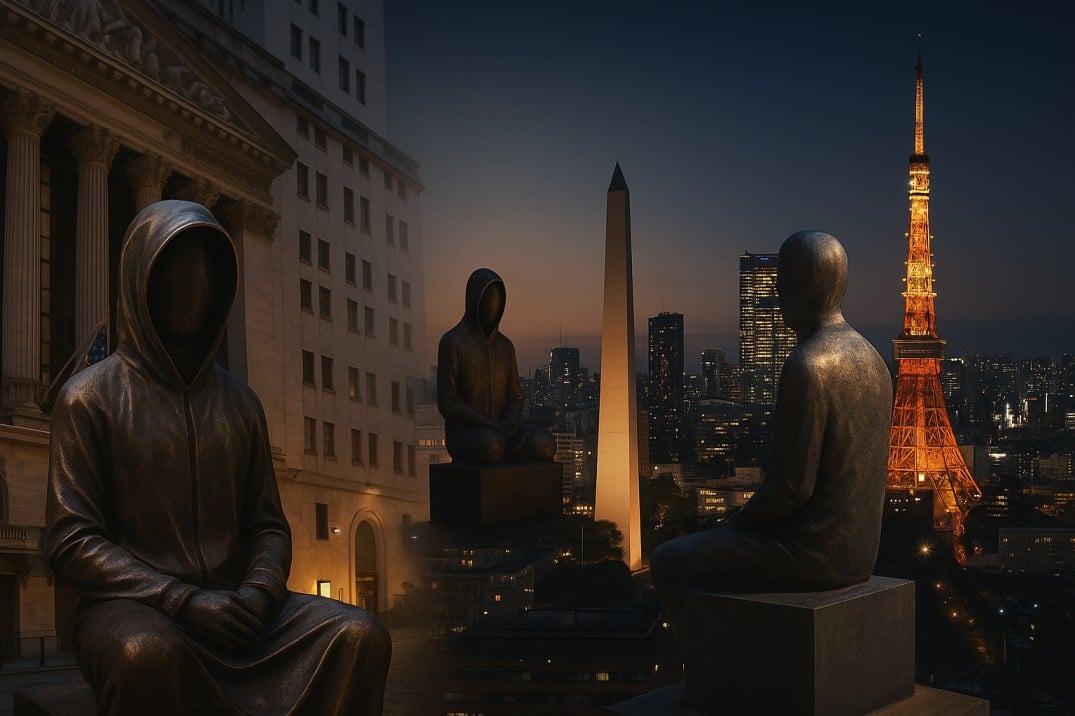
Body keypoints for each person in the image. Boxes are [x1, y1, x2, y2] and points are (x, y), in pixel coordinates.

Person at [46, 200, 390, 715]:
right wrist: (180, 599)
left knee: (361, 634)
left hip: (240, 608)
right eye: (179, 271)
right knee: (147, 655)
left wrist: (258, 591)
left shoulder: (240, 403)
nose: (196, 287)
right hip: (134, 609)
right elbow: (70, 541)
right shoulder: (88, 399)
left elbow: (269, 527)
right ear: (142, 281)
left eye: (208, 273)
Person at [650, 231, 892, 637]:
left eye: (782, 283)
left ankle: (708, 668)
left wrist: (738, 523)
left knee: (670, 560)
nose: (777, 294)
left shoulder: (808, 364)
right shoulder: (876, 363)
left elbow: (792, 487)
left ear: (802, 288)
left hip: (813, 555)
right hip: (860, 556)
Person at [437, 268, 554, 464]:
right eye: (487, 299)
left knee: (545, 444)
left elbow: (516, 396)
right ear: (474, 300)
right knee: (493, 446)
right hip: (467, 434)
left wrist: (510, 423)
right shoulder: (452, 342)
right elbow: (448, 402)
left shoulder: (505, 347)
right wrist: (488, 424)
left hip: (503, 430)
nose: (493, 306)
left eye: (497, 301)